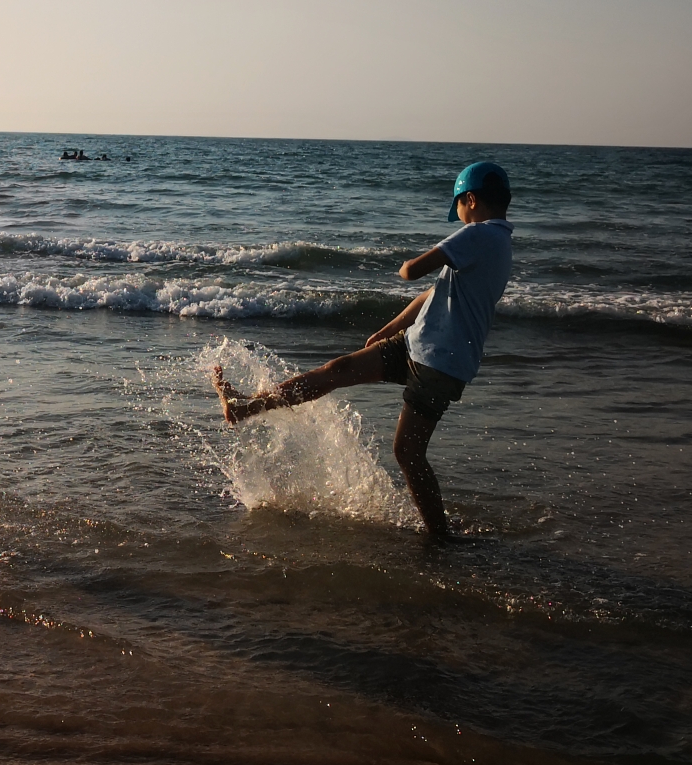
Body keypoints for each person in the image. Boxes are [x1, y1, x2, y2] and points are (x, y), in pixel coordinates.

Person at [213, 161, 514, 538]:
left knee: (407, 451)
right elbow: (434, 292)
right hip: (418, 345)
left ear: (470, 199)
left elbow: (413, 271)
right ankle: (244, 408)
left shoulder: (479, 236)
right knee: (336, 370)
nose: (459, 216)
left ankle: (441, 536)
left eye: (458, 209)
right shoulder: (499, 243)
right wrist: (389, 328)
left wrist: (403, 265)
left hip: (439, 363)